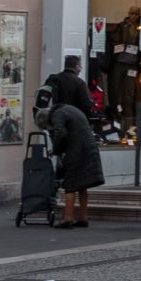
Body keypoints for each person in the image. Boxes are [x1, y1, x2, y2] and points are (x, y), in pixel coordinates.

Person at [48, 87, 105, 227]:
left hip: (77, 150)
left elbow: (61, 134)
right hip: (89, 147)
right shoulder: (71, 109)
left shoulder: (57, 115)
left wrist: (55, 150)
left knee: (70, 184)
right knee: (82, 184)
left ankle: (67, 218)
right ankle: (82, 217)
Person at [45, 54, 94, 124]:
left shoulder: (52, 78)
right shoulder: (80, 83)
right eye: (80, 66)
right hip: (72, 123)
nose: (80, 69)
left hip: (54, 120)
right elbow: (86, 105)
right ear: (77, 67)